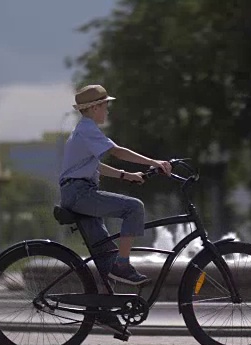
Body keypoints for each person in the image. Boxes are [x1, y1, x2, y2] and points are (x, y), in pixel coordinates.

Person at [59, 84, 172, 286]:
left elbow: (95, 165)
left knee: (106, 256)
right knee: (134, 207)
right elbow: (117, 151)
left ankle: (104, 313)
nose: (107, 110)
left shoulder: (84, 130)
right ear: (94, 108)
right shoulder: (87, 129)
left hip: (77, 192)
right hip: (80, 193)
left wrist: (126, 175)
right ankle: (123, 265)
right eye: (105, 106)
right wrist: (155, 162)